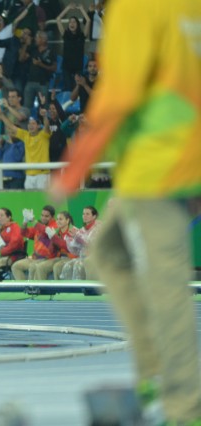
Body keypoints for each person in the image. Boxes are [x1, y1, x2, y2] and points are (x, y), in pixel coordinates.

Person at [50, 2, 201, 423]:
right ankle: (153, 367)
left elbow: (119, 94)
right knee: (107, 255)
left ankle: (185, 407)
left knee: (168, 284)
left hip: (157, 167)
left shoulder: (137, 8)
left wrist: (74, 168)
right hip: (179, 161)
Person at [11, 205, 57, 280]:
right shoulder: (39, 226)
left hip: (47, 259)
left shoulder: (55, 225)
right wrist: (25, 221)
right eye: (42, 215)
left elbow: (45, 231)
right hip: (34, 258)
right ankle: (25, 288)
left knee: (33, 267)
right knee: (16, 266)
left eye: (46, 216)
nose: (43, 218)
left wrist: (33, 220)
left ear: (52, 217)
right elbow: (23, 233)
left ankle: (33, 289)